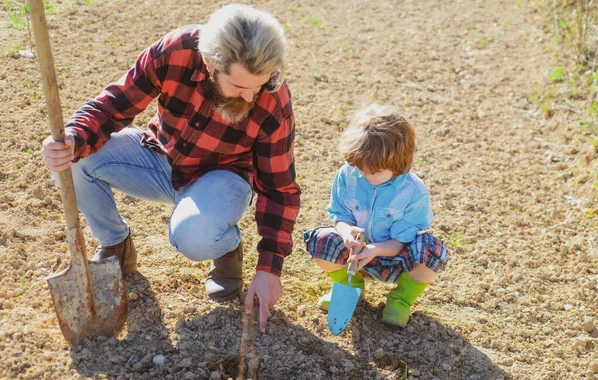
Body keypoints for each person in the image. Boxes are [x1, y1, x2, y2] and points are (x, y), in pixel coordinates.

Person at [41, 4, 300, 333]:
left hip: (222, 178)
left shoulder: (272, 99)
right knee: (75, 158)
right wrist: (72, 140)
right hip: (159, 156)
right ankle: (116, 245)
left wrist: (269, 268)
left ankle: (224, 243)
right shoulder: (175, 51)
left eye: (257, 86)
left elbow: (279, 190)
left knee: (193, 237)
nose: (250, 96)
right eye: (239, 87)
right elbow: (114, 104)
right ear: (210, 63)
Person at [303, 104, 448, 327]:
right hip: (355, 256)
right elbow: (339, 215)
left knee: (431, 251)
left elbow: (401, 241)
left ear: (399, 162)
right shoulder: (347, 175)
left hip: (396, 259)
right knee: (320, 240)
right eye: (362, 169)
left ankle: (400, 300)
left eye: (376, 172)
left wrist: (376, 250)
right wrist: (346, 232)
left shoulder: (413, 191)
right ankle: (350, 287)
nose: (367, 176)